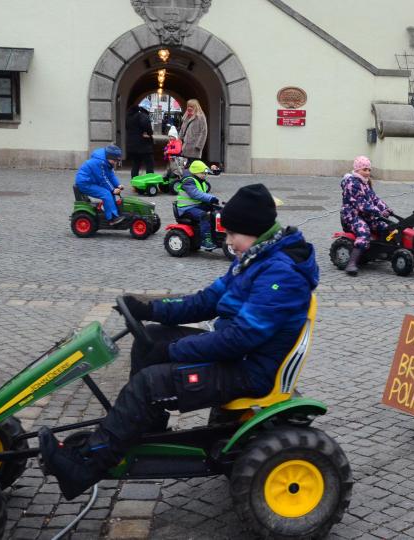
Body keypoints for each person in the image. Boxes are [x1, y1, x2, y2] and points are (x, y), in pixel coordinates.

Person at [38, 184, 319, 500]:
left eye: (232, 235)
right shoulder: (255, 259)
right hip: (238, 354)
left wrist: (175, 350)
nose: (227, 241)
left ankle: (86, 466)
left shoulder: (280, 275)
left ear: (253, 231)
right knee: (150, 341)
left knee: (149, 382)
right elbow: (206, 300)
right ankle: (147, 428)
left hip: (250, 370)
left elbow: (240, 339)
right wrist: (150, 309)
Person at [340, 156, 392, 276]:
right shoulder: (351, 184)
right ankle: (351, 263)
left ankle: (381, 251)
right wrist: (378, 212)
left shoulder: (365, 183)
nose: (367, 172)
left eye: (369, 170)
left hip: (366, 215)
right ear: (357, 170)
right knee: (364, 231)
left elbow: (374, 199)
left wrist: (385, 209)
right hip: (351, 216)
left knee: (385, 226)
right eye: (364, 169)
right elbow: (360, 204)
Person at [174, 160, 220, 250]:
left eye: (205, 173)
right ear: (195, 172)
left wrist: (216, 169)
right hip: (186, 209)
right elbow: (195, 194)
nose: (205, 175)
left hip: (195, 205)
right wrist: (210, 198)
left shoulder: (199, 179)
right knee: (204, 215)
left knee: (215, 209)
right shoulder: (188, 182)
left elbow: (210, 172)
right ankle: (205, 240)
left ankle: (216, 234)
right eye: (203, 173)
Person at [75, 145, 125, 225]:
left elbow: (111, 175)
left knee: (109, 192)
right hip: (85, 183)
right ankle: (112, 218)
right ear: (109, 157)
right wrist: (113, 189)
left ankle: (113, 211)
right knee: (106, 193)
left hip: (92, 180)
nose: (115, 163)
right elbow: (103, 179)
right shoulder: (99, 162)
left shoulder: (107, 161)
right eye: (114, 161)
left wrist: (118, 185)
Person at [126, 105, 154, 178]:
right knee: (149, 164)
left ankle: (134, 184)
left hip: (132, 145)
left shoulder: (129, 116)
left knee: (135, 165)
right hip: (144, 145)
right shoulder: (142, 115)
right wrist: (148, 132)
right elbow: (146, 125)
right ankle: (150, 182)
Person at [178, 98, 208, 162]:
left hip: (194, 149)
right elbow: (182, 130)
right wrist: (178, 140)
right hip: (185, 148)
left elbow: (204, 132)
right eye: (188, 106)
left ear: (196, 107)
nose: (189, 108)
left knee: (193, 168)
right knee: (185, 169)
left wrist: (199, 146)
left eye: (191, 106)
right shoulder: (186, 116)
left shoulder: (200, 117)